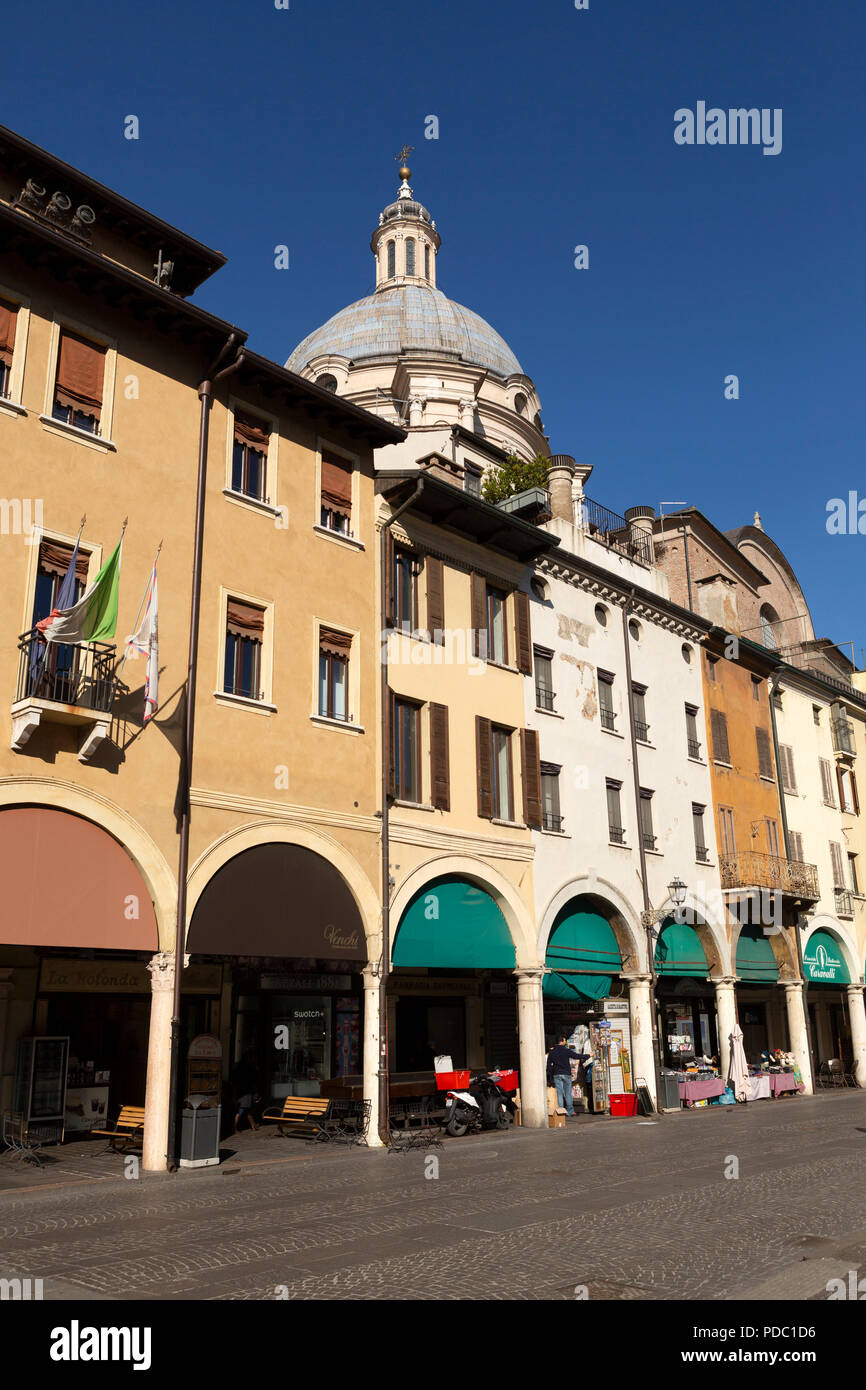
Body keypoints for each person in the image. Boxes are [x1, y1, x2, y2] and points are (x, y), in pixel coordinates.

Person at [547, 1033, 585, 1118]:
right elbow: (577, 1056)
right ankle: (570, 1111)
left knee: (559, 1093)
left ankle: (561, 1111)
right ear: (562, 1041)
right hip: (566, 1074)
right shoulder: (566, 1050)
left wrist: (550, 1077)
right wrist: (588, 1055)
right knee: (568, 1093)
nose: (566, 1041)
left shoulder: (552, 1052)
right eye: (565, 1040)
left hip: (557, 1074)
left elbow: (549, 1066)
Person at [232, 1049, 261, 1133]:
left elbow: (234, 1081)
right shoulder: (249, 1068)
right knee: (241, 1110)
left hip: (241, 1091)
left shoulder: (238, 1066)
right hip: (245, 1092)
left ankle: (253, 1125)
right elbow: (253, 1081)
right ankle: (234, 1127)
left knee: (246, 1110)